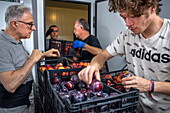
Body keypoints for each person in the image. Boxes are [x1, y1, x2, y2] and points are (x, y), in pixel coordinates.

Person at [78, 0, 170, 113]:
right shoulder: (126, 36)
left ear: (152, 7)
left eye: (134, 16)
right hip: (135, 108)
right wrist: (94, 66)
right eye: (124, 17)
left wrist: (150, 85)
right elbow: (101, 56)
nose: (128, 23)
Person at [0, 5, 60, 113]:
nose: (34, 28)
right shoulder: (2, 45)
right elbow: (10, 85)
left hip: (24, 103)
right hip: (13, 109)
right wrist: (32, 59)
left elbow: (18, 62)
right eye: (30, 24)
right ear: (15, 24)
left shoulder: (16, 41)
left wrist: (44, 54)